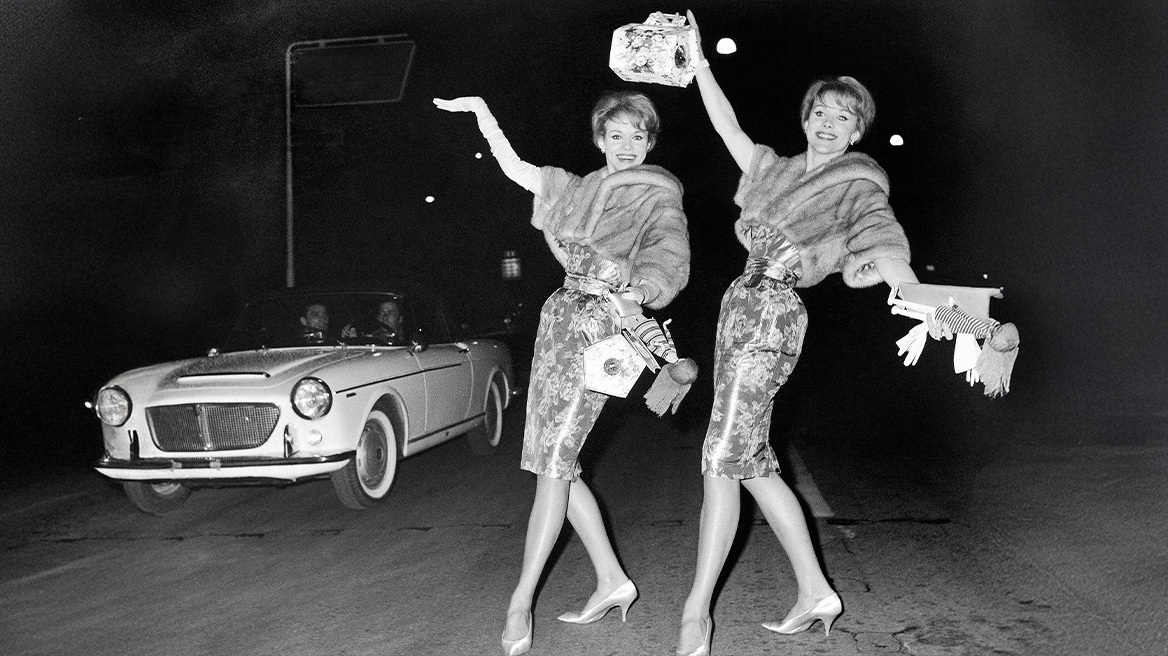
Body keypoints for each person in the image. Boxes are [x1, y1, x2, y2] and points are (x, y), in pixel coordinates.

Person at [674, 11, 938, 656]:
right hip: (738, 306)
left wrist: (922, 298)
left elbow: (883, 245)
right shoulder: (773, 169)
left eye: (843, 117)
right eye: (821, 112)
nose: (828, 123)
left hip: (773, 315)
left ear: (857, 132)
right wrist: (699, 62)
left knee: (720, 457)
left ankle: (695, 613)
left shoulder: (857, 185)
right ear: (806, 117)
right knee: (751, 460)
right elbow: (727, 126)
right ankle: (817, 590)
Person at [435, 90, 690, 656]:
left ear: (651, 143)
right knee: (553, 459)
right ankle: (611, 579)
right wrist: (483, 113)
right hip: (558, 323)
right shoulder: (575, 189)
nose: (627, 146)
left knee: (553, 464)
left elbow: (668, 256)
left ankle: (520, 600)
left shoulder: (659, 195)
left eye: (638, 136)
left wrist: (640, 291)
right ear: (600, 139)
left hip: (604, 330)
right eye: (616, 135)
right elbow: (518, 170)